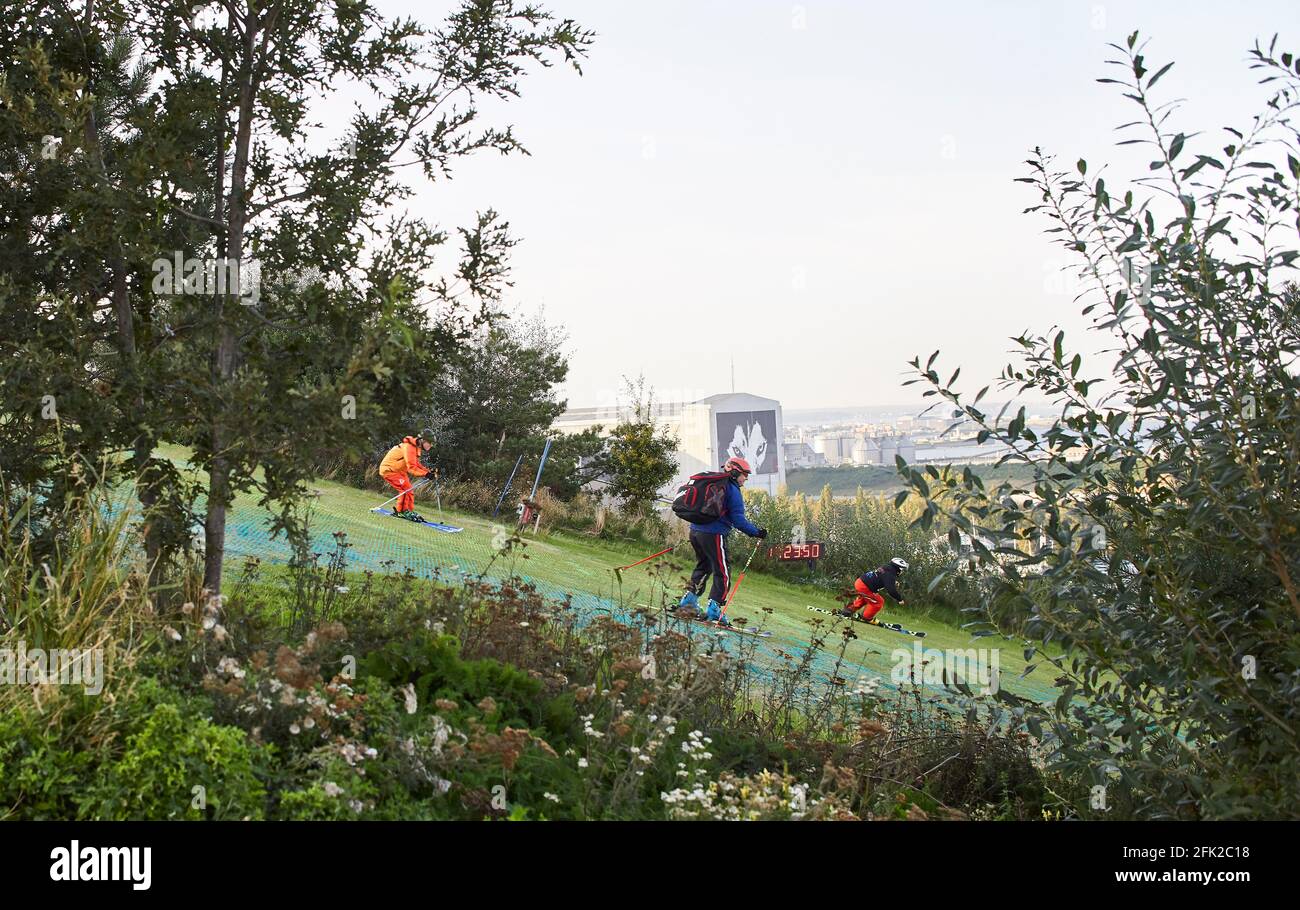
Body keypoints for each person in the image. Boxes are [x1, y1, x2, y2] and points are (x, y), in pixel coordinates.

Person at [678, 456, 768, 625]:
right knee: (723, 571)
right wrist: (757, 533)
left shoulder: (714, 483)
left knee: (703, 566)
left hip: (695, 531)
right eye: (744, 474)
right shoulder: (732, 489)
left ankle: (688, 603)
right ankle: (714, 610)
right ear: (734, 472)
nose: (746, 478)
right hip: (714, 534)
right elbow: (738, 521)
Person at [379, 429, 435, 521]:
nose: (431, 445)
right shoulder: (409, 447)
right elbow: (412, 468)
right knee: (405, 489)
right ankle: (401, 512)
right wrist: (426, 474)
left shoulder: (415, 447)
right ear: (422, 440)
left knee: (409, 490)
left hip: (399, 471)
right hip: (389, 469)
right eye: (430, 442)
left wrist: (428, 471)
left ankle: (408, 511)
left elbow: (416, 464)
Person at [841, 558, 909, 621]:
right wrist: (899, 599)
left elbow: (881, 577)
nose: (902, 572)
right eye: (902, 569)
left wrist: (892, 582)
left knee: (866, 599)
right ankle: (866, 618)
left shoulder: (886, 567)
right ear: (898, 569)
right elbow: (891, 590)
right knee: (878, 601)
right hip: (865, 586)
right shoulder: (890, 574)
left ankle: (848, 611)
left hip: (860, 582)